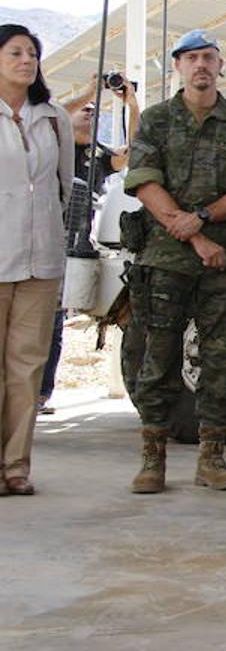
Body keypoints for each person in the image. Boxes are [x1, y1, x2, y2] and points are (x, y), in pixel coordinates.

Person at [122, 29, 226, 494]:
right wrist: (191, 233)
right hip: (167, 258)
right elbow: (145, 182)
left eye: (209, 57)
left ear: (220, 65)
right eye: (191, 58)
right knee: (159, 358)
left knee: (222, 358)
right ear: (178, 67)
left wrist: (201, 220)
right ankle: (152, 459)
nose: (201, 65)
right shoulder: (158, 121)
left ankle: (212, 457)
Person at [38, 73, 140, 416]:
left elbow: (136, 149)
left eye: (96, 111)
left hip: (72, 251)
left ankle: (41, 394)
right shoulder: (51, 144)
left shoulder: (97, 157)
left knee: (52, 324)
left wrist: (132, 104)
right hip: (37, 243)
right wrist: (88, 91)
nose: (89, 113)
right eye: (85, 110)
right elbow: (49, 114)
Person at [0, 24, 73, 496]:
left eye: (33, 53)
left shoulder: (52, 117)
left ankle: (15, 466)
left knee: (26, 367)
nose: (27, 60)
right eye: (15, 52)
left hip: (40, 259)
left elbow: (64, 184)